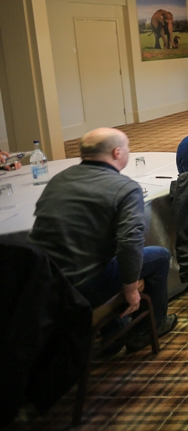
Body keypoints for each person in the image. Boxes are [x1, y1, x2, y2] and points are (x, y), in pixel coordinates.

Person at [28, 128, 177, 352]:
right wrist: (130, 289)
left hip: (46, 281)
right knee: (160, 255)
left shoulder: (59, 179)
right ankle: (145, 330)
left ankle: (113, 333)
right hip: (87, 282)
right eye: (127, 148)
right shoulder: (125, 188)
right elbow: (129, 243)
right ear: (117, 153)